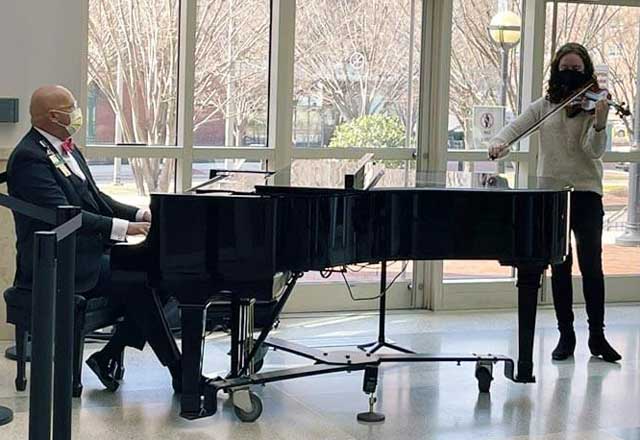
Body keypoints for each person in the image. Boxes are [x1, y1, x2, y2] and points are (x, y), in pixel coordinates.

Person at [7, 85, 182, 391]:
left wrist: (139, 215)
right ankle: (178, 373)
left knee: (161, 277)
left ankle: (113, 354)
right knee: (144, 281)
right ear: (53, 115)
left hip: (89, 253)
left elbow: (96, 198)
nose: (77, 113)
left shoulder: (68, 148)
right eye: (72, 107)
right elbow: (64, 215)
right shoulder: (29, 158)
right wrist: (124, 229)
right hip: (60, 263)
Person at [488, 43, 621, 363]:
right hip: (552, 195)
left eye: (577, 70)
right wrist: (499, 141)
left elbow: (594, 151)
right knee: (560, 268)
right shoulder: (544, 105)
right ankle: (566, 335)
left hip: (587, 193)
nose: (571, 75)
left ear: (587, 72)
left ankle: (598, 336)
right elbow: (516, 126)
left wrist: (600, 123)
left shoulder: (593, 106)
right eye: (566, 69)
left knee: (592, 267)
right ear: (555, 71)